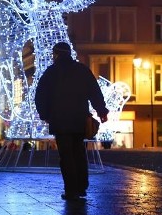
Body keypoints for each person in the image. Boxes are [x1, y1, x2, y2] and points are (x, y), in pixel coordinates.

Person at [35, 42, 108, 201]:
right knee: (79, 153)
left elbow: (40, 95)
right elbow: (94, 92)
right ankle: (81, 187)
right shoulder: (82, 70)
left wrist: (45, 114)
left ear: (56, 55)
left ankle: (71, 190)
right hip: (79, 119)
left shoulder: (51, 72)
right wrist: (102, 111)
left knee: (66, 156)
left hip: (60, 121)